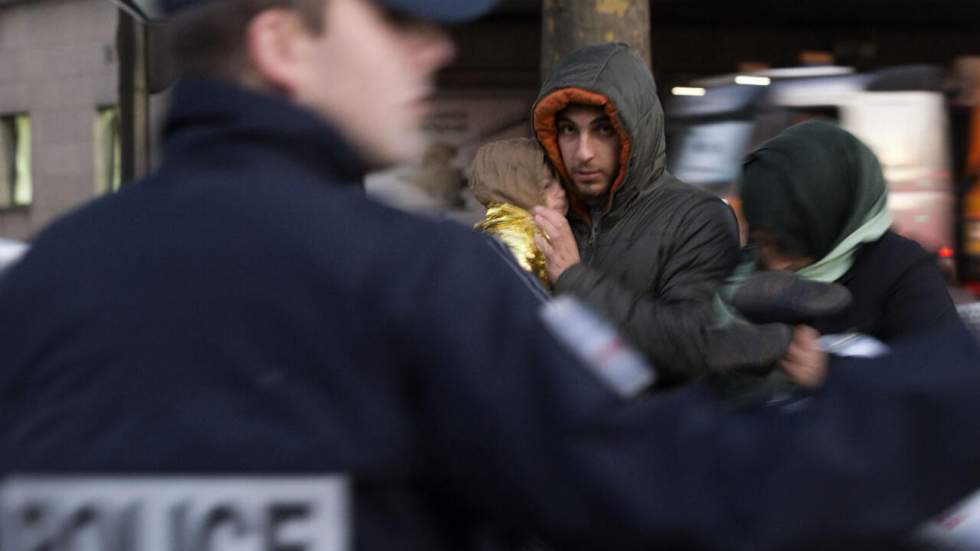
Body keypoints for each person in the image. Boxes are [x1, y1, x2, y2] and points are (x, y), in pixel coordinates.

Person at [1, 2, 980, 550]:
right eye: (392, 18)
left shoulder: (46, 283)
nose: (434, 47)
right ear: (282, 41)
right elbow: (669, 483)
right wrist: (945, 392)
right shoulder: (401, 277)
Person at [528, 43, 745, 386]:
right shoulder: (547, 217)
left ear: (634, 132)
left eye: (602, 129)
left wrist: (574, 277)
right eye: (569, 130)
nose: (583, 153)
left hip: (655, 433)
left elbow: (694, 345)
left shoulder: (698, 217)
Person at [735, 119, 964, 388]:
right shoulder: (745, 271)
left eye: (789, 246)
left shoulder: (899, 270)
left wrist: (833, 373)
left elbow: (949, 382)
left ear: (832, 222)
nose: (774, 262)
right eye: (761, 242)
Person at [469, 137, 567, 287]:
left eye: (561, 183)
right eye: (546, 186)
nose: (561, 192)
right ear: (515, 189)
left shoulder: (531, 231)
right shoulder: (516, 243)